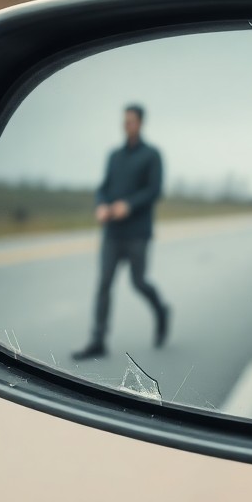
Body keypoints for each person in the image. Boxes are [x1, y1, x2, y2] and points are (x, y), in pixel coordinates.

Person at [72, 104, 170, 360]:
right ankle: (98, 340)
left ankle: (161, 311)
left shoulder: (151, 155)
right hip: (112, 233)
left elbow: (155, 190)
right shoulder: (114, 155)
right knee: (104, 284)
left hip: (137, 233)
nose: (126, 125)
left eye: (131, 121)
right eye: (124, 121)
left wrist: (129, 205)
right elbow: (103, 187)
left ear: (140, 123)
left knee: (138, 282)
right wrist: (101, 205)